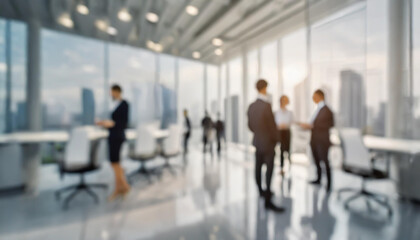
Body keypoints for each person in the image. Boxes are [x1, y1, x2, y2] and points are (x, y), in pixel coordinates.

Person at [248, 79, 285, 212]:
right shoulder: (266, 106)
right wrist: (277, 140)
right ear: (264, 88)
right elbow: (272, 127)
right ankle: (268, 200)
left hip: (258, 142)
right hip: (268, 143)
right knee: (269, 171)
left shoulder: (251, 106)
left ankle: (261, 192)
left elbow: (250, 126)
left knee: (258, 168)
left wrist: (259, 134)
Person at [96, 84, 130, 201]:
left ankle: (121, 188)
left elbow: (123, 123)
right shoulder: (116, 104)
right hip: (113, 135)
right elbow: (115, 121)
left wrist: (111, 124)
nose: (111, 94)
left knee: (115, 163)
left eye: (112, 92)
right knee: (115, 163)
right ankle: (122, 187)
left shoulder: (124, 104)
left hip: (117, 136)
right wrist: (105, 123)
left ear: (117, 91)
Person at [299, 89, 334, 192]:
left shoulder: (327, 110)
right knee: (317, 160)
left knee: (325, 161)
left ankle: (329, 184)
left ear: (320, 96)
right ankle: (318, 179)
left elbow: (330, 124)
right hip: (314, 140)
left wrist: (313, 126)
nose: (313, 99)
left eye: (314, 97)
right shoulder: (317, 109)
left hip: (322, 141)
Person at [275, 95, 293, 176]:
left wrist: (285, 125)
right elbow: (275, 123)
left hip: (287, 132)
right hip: (279, 132)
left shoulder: (290, 112)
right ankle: (282, 168)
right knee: (281, 149)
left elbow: (291, 122)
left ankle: (289, 166)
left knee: (288, 149)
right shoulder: (277, 112)